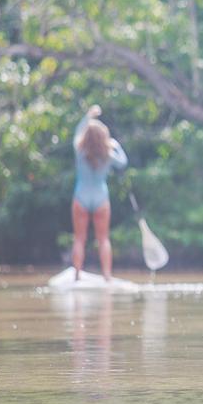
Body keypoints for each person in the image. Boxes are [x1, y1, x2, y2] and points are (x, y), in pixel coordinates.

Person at [71, 105, 128, 280]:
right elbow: (124, 162)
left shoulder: (80, 150)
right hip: (101, 197)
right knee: (103, 239)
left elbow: (78, 132)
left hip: (81, 196)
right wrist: (115, 144)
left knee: (80, 238)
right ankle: (107, 275)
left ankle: (77, 275)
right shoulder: (109, 154)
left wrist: (87, 116)